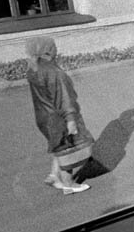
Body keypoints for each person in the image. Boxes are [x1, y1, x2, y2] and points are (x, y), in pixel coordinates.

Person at [25, 36, 91, 195]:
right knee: (68, 149)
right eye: (53, 47)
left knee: (58, 145)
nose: (56, 49)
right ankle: (69, 184)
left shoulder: (34, 68)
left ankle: (54, 175)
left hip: (44, 118)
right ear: (47, 50)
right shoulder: (54, 72)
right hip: (58, 118)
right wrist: (71, 120)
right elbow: (63, 98)